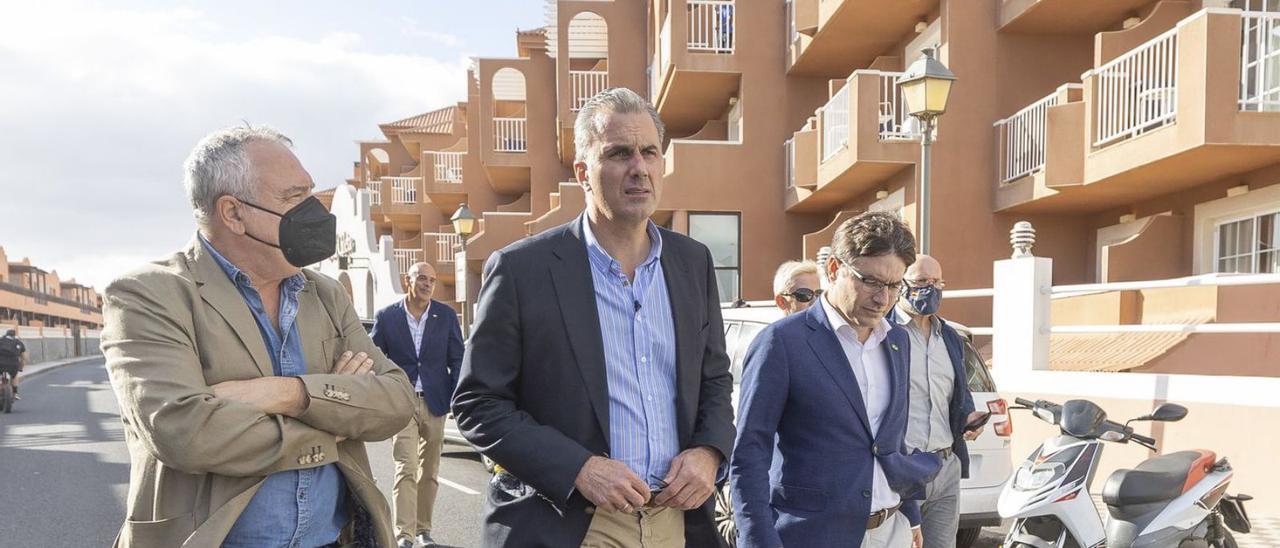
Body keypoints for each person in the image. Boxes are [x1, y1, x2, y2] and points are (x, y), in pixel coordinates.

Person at [100, 125, 416, 547]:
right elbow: (185, 433)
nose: (316, 211)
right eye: (293, 197)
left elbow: (396, 400)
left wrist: (291, 394)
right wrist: (335, 420)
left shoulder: (325, 294)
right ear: (233, 213)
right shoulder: (148, 293)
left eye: (311, 193)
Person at [452, 87, 736, 548]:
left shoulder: (693, 262)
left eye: (649, 152)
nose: (638, 168)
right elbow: (478, 405)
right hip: (572, 523)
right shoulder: (523, 269)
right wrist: (579, 469)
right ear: (584, 172)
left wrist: (708, 451)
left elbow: (715, 379)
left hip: (676, 522)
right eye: (619, 153)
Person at [731, 211, 942, 548]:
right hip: (813, 535)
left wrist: (911, 515)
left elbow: (891, 440)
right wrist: (758, 542)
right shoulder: (782, 342)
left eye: (893, 285)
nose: (883, 298)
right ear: (833, 269)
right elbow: (749, 455)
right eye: (871, 281)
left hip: (893, 531)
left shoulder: (898, 340)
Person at [893, 255, 986, 548]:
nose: (929, 289)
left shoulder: (950, 336)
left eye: (936, 282)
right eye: (921, 281)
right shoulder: (883, 333)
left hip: (946, 464)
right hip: (902, 467)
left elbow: (959, 391)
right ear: (901, 284)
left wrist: (968, 417)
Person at [371, 262, 464, 548]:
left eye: (432, 280)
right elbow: (375, 359)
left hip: (435, 402)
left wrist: (457, 396)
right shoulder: (387, 317)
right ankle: (405, 535)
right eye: (422, 278)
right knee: (406, 467)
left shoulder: (446, 316)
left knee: (430, 470)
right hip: (403, 403)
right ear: (406, 281)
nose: (428, 284)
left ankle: (424, 530)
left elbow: (458, 359)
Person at [0, 328, 26, 400]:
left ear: (6, 334)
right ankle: (15, 394)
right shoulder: (18, 342)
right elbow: (23, 358)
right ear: (14, 335)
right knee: (14, 376)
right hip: (13, 364)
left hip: (0, 363)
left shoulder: (1, 340)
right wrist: (21, 367)